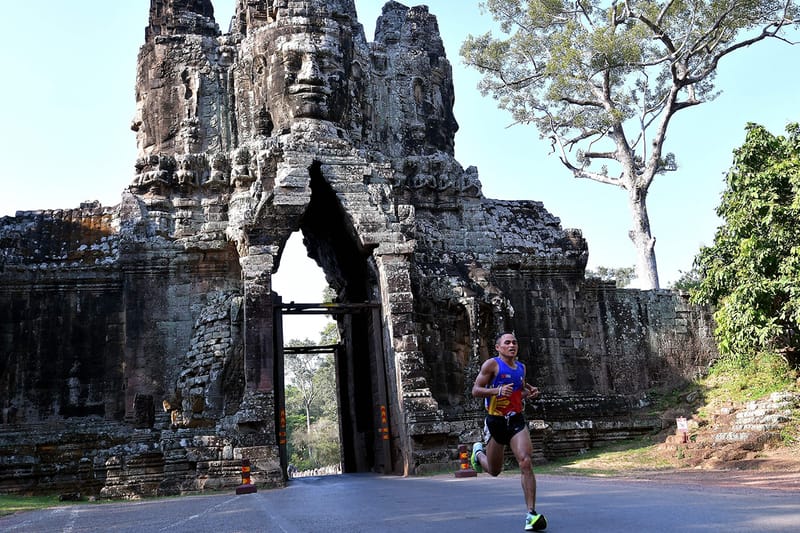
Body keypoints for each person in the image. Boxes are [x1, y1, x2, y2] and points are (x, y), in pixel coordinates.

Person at [471, 332, 547, 531]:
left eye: (514, 342)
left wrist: (528, 393)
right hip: (495, 420)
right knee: (495, 471)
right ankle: (478, 454)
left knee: (526, 461)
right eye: (507, 343)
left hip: (515, 419)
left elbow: (517, 391)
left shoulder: (521, 368)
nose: (512, 345)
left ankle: (531, 514)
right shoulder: (491, 365)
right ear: (498, 347)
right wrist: (496, 391)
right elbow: (476, 390)